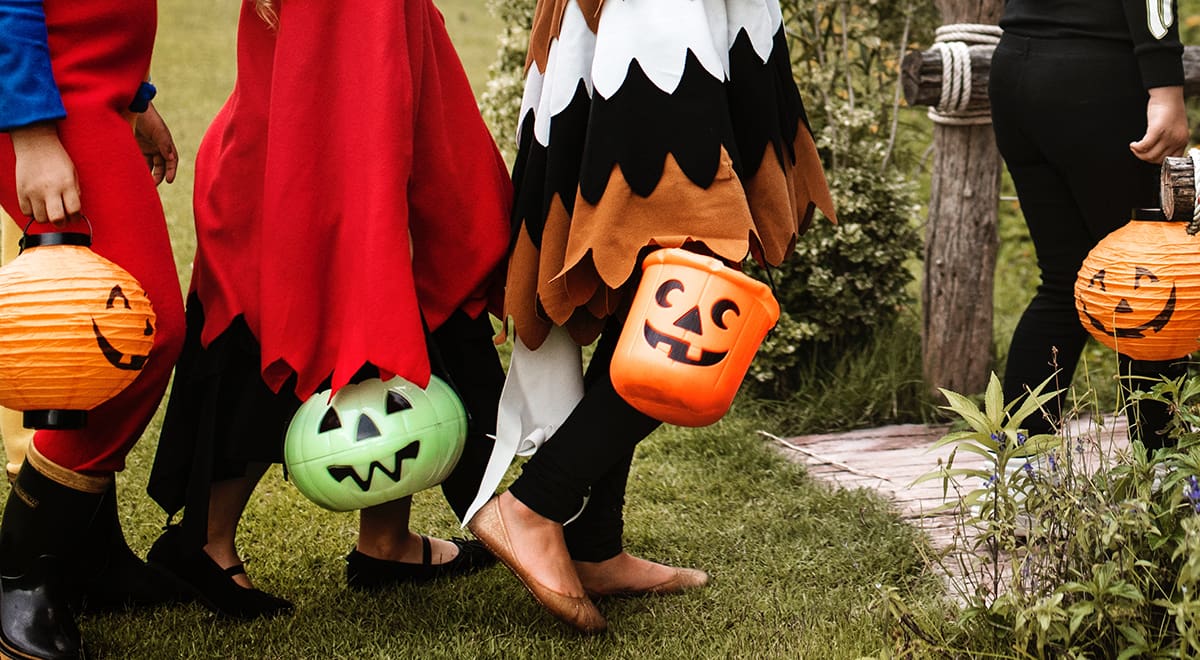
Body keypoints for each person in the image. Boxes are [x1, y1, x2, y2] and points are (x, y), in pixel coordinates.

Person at [466, 0, 836, 634]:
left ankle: (594, 546)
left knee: (652, 279)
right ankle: (534, 505)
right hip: (653, 32)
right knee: (690, 281)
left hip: (678, 26)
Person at [144, 0, 512, 620]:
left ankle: (387, 541)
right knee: (288, 333)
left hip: (335, 148)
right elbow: (358, 78)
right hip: (318, 162)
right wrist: (378, 207)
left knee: (390, 331)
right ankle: (206, 543)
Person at [0, 0, 187, 657]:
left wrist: (131, 92)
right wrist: (28, 128)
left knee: (94, 335)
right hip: (45, 100)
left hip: (92, 87)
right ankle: (22, 572)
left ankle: (90, 558)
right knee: (141, 325)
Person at [991, 0, 1190, 449]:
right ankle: (1163, 479)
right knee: (1151, 284)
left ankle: (1019, 468)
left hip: (1016, 70)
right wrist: (1165, 88)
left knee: (1064, 280)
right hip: (1096, 78)